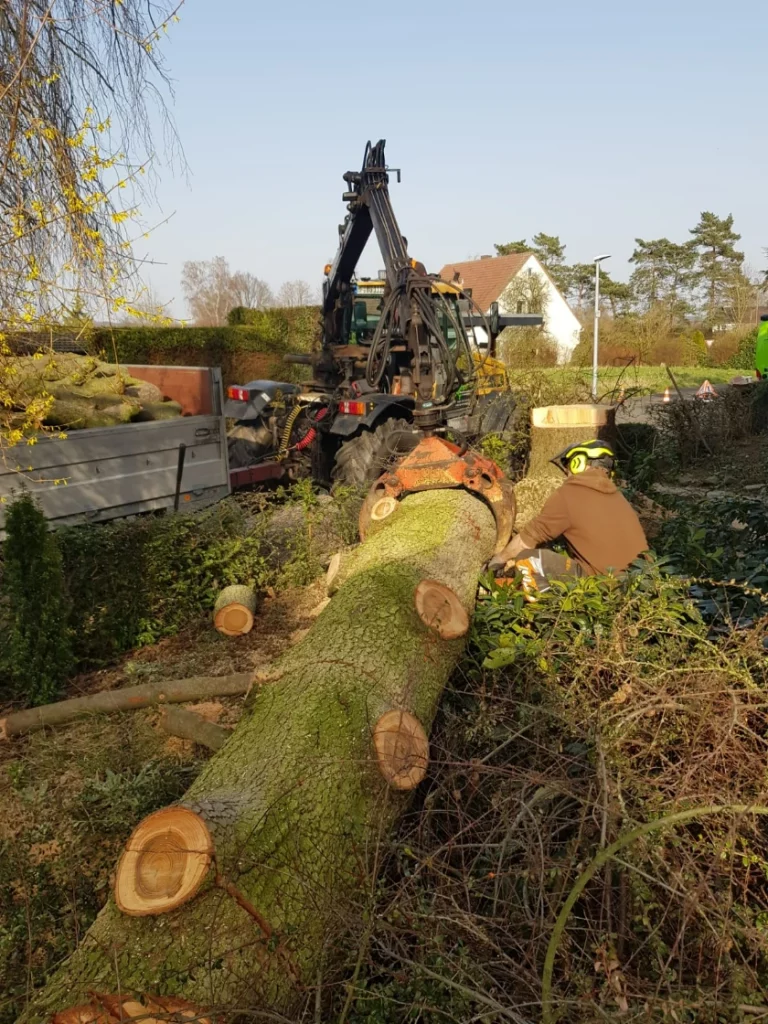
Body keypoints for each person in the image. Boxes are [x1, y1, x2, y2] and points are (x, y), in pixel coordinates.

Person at [488, 440, 648, 597]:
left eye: (568, 467)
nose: (566, 474)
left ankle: (544, 613)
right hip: (640, 584)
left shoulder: (569, 494)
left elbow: (527, 539)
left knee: (527, 558)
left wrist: (499, 560)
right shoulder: (618, 497)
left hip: (605, 587)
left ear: (578, 463)